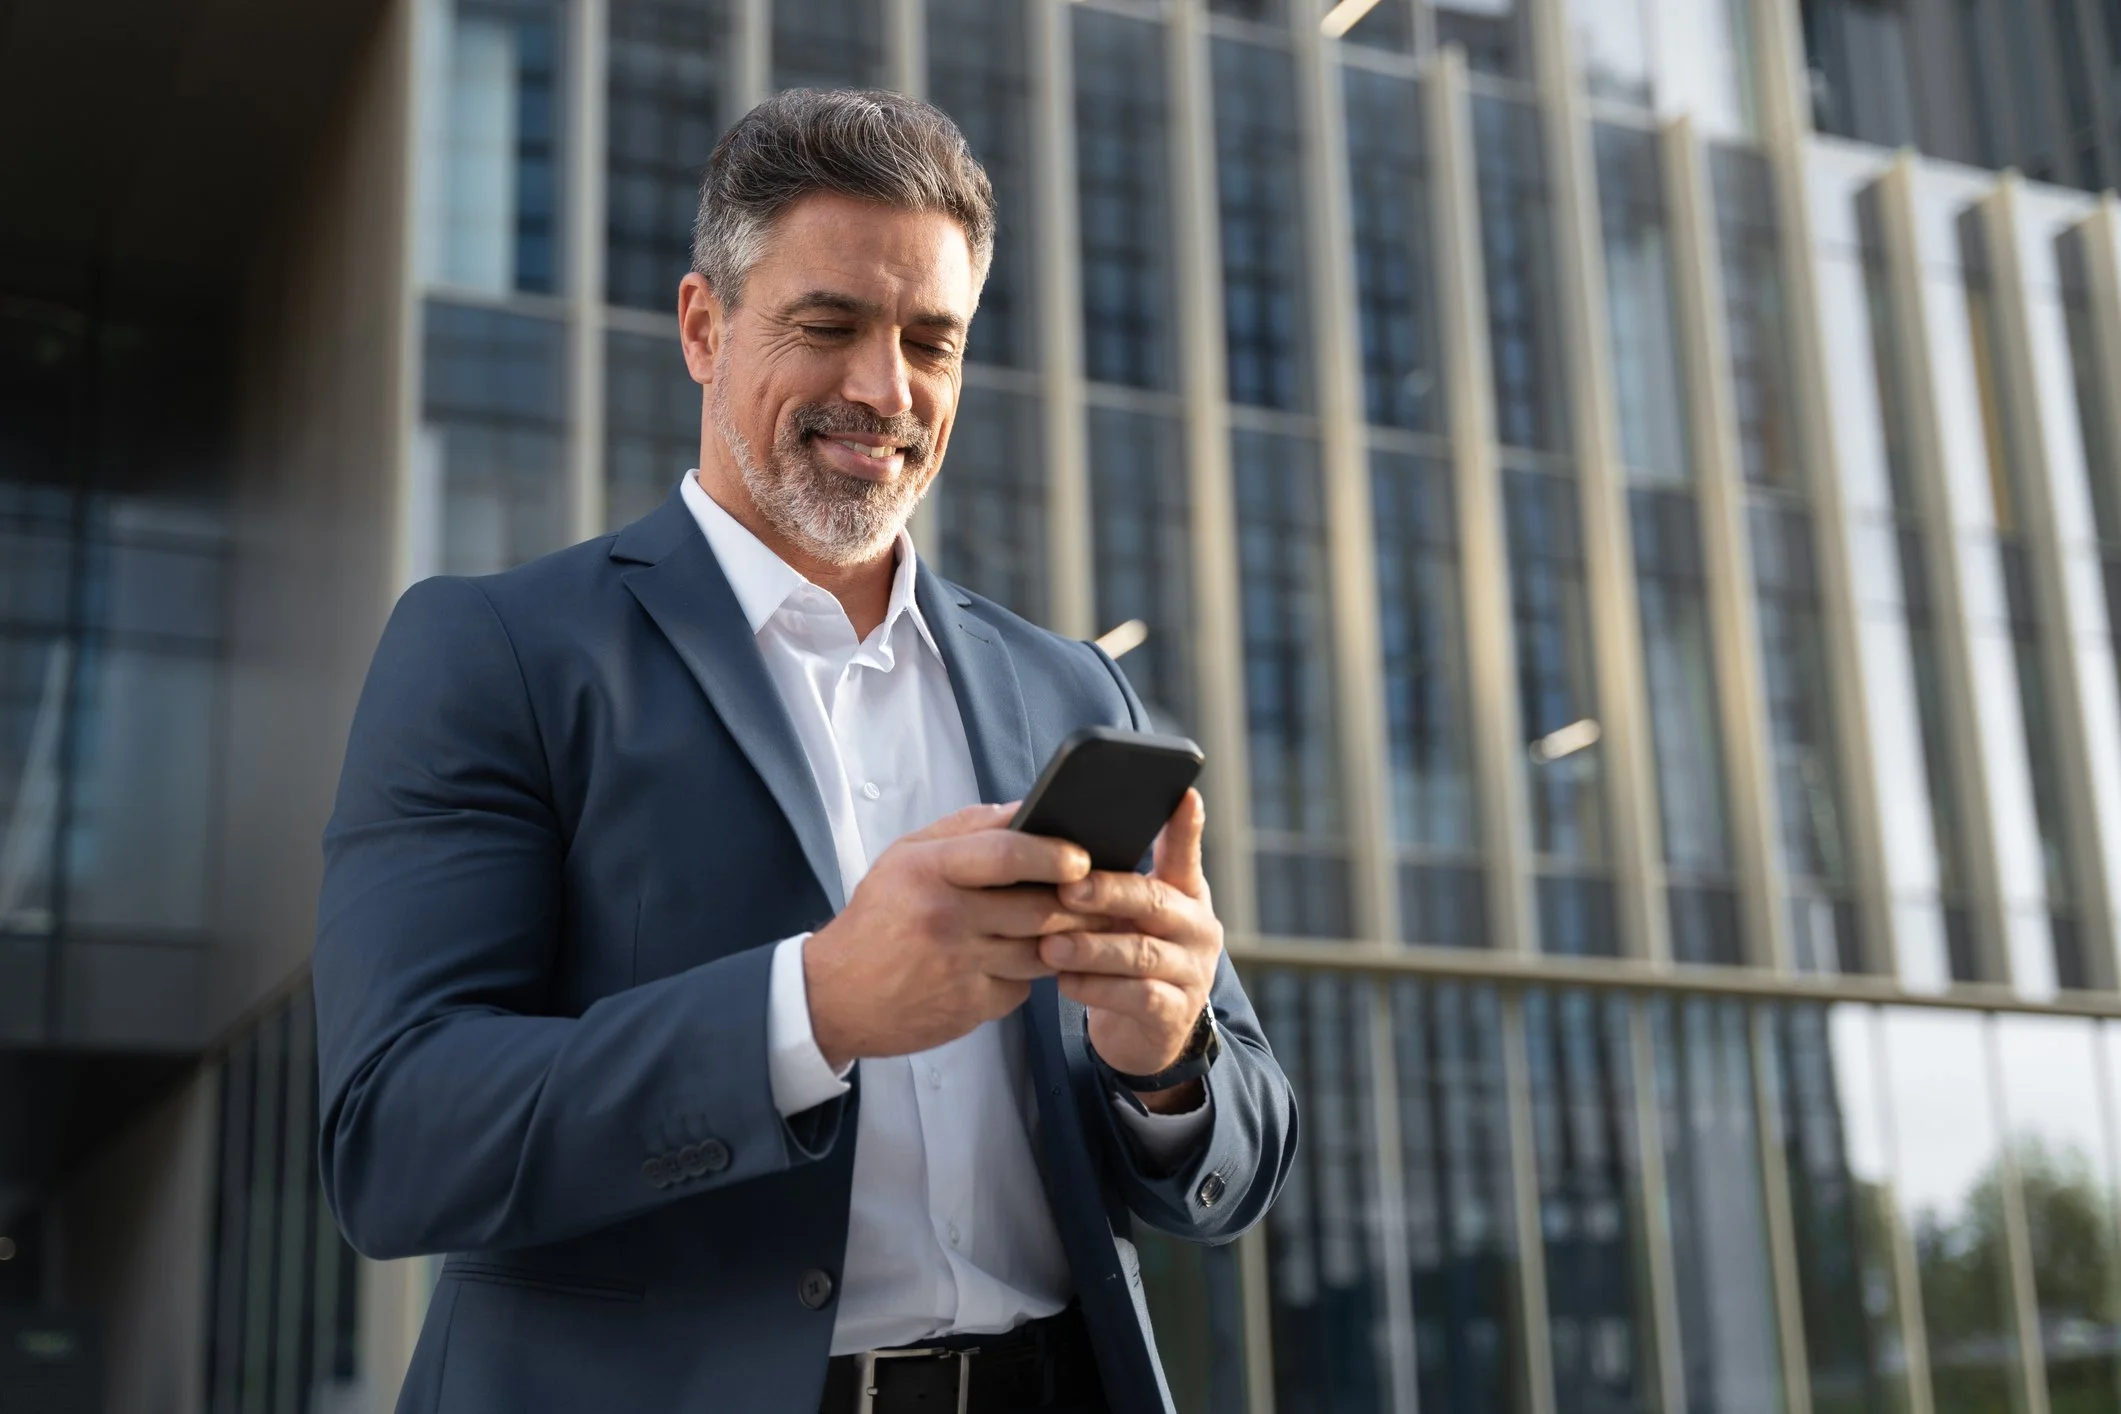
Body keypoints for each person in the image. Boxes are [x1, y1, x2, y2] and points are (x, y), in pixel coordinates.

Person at [312, 88, 1296, 1414]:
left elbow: (1236, 1157)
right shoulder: (497, 655)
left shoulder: (1078, 689)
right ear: (703, 327)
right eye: (828, 325)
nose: (883, 391)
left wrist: (1166, 1057)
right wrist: (812, 1006)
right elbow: (398, 1139)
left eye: (931, 343)